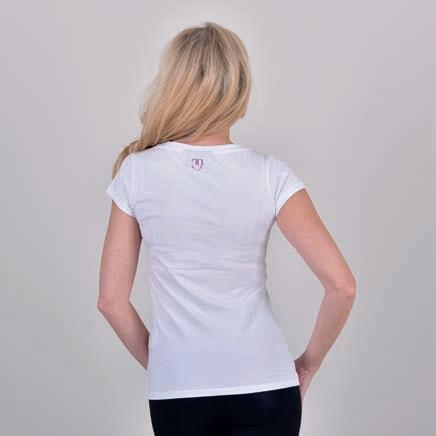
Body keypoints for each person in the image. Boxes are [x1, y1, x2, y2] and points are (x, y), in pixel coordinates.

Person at [98, 21, 356, 436]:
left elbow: (111, 301)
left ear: (173, 84)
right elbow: (342, 286)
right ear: (239, 88)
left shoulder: (136, 172)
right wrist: (308, 365)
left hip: (179, 392)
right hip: (266, 385)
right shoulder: (270, 174)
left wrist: (167, 364)